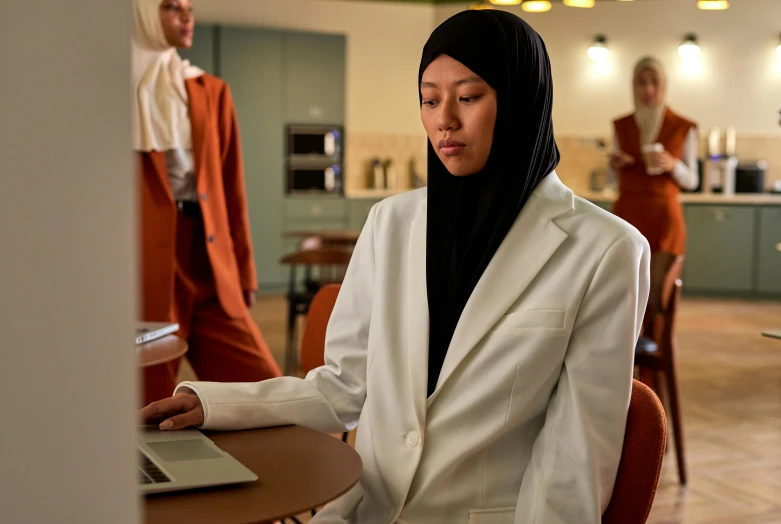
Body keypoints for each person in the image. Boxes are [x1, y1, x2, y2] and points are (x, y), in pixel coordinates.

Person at [141, 10, 650, 523]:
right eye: (429, 100)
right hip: (363, 511)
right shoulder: (390, 223)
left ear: (521, 102)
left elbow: (575, 460)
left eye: (468, 98)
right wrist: (214, 406)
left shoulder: (606, 251)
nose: (444, 119)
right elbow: (342, 386)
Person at [133, 0, 280, 406]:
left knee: (265, 393)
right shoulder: (109, 94)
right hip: (143, 267)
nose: (186, 17)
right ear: (140, 13)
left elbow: (232, 190)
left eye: (190, 8)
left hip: (212, 263)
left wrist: (245, 273)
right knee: (148, 409)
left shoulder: (209, 91)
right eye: (170, 7)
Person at [609, 57, 698, 307]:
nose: (648, 89)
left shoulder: (683, 127)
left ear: (664, 85)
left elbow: (692, 180)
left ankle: (658, 343)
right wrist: (615, 165)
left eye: (654, 82)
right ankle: (629, 345)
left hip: (664, 216)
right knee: (625, 288)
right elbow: (612, 178)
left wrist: (672, 165)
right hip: (628, 212)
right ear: (632, 86)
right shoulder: (621, 125)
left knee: (660, 293)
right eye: (641, 82)